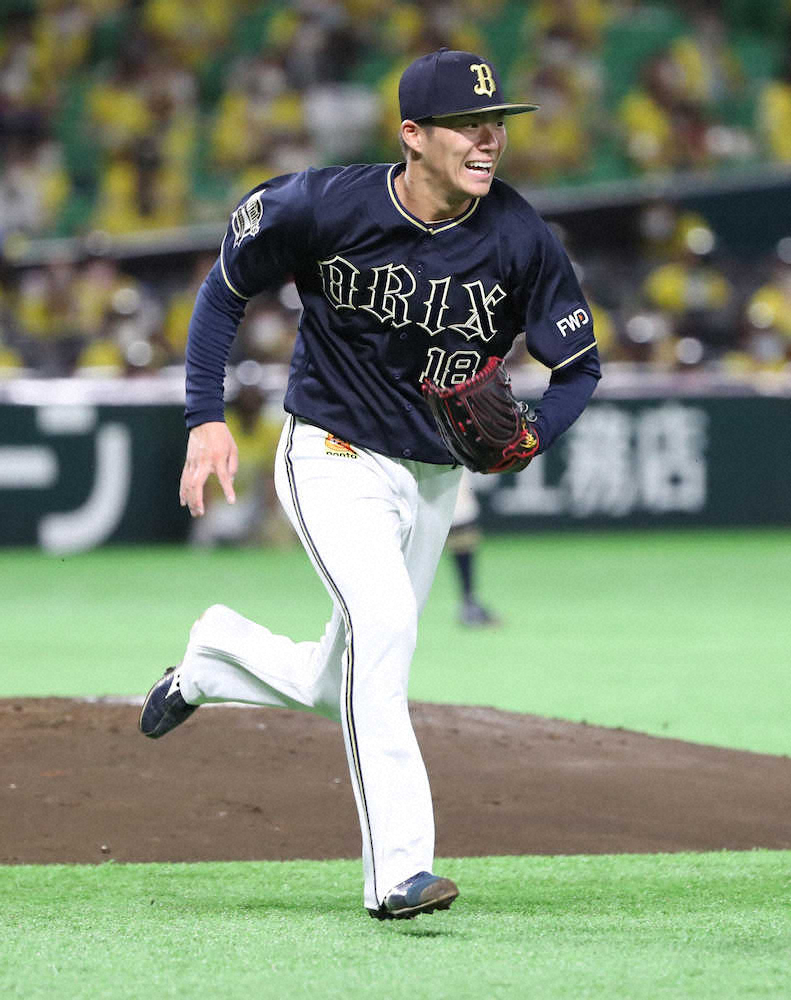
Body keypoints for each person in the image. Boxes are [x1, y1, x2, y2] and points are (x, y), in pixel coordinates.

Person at [138, 48, 601, 921]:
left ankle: (211, 655)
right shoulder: (322, 205)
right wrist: (204, 416)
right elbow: (224, 289)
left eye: (495, 124)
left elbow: (579, 367)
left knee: (338, 680)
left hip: (434, 475)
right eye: (466, 125)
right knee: (385, 630)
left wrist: (536, 431)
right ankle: (399, 874)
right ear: (413, 136)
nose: (488, 139)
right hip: (331, 450)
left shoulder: (519, 236)